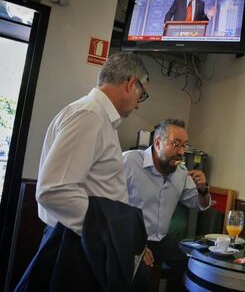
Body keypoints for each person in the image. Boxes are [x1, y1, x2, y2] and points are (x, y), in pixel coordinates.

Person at [16, 52, 153, 291]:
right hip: (75, 246)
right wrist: (110, 236)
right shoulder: (89, 115)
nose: (140, 101)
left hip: (81, 240)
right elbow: (54, 191)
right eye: (143, 93)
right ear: (132, 84)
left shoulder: (97, 117)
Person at [123, 118, 211, 291]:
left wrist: (203, 190)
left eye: (184, 145)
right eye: (175, 144)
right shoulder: (129, 162)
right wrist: (135, 244)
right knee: (141, 275)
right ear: (157, 143)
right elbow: (111, 206)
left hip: (161, 238)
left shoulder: (181, 172)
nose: (181, 151)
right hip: (129, 237)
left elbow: (200, 204)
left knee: (191, 265)